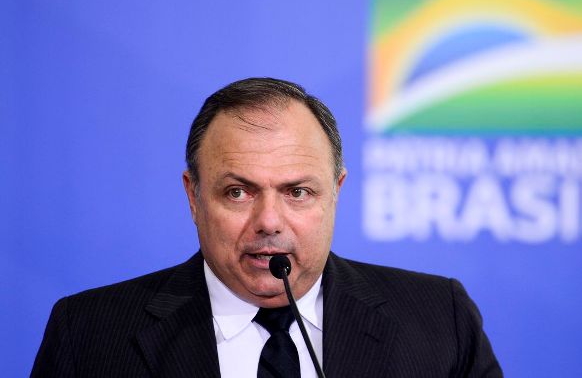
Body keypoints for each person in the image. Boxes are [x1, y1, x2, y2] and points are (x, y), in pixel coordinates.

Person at [31, 77, 502, 377]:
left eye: (298, 191)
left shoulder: (441, 321)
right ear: (193, 197)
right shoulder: (89, 335)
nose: (269, 222)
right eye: (238, 192)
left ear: (336, 192)